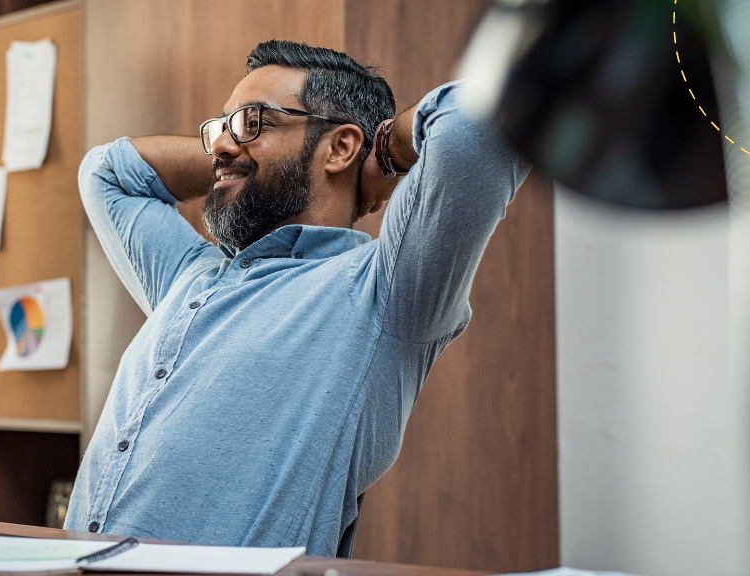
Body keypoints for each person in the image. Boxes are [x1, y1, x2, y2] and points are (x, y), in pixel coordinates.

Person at [65, 40, 529, 554]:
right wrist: (236, 158)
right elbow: (106, 174)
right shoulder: (190, 274)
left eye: (252, 121)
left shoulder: (383, 291)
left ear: (340, 147)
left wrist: (386, 152)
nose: (219, 144)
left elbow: (482, 122)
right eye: (223, 127)